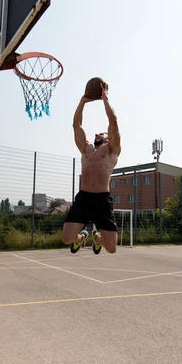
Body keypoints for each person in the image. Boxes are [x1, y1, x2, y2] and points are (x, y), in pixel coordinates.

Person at [62, 83, 121, 254]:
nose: (97, 134)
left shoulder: (112, 150)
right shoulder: (86, 149)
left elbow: (113, 122)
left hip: (102, 201)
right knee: (66, 238)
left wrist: (105, 99)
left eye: (101, 134)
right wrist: (82, 102)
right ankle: (81, 238)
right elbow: (76, 126)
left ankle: (97, 238)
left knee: (111, 248)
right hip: (84, 199)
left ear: (108, 139)